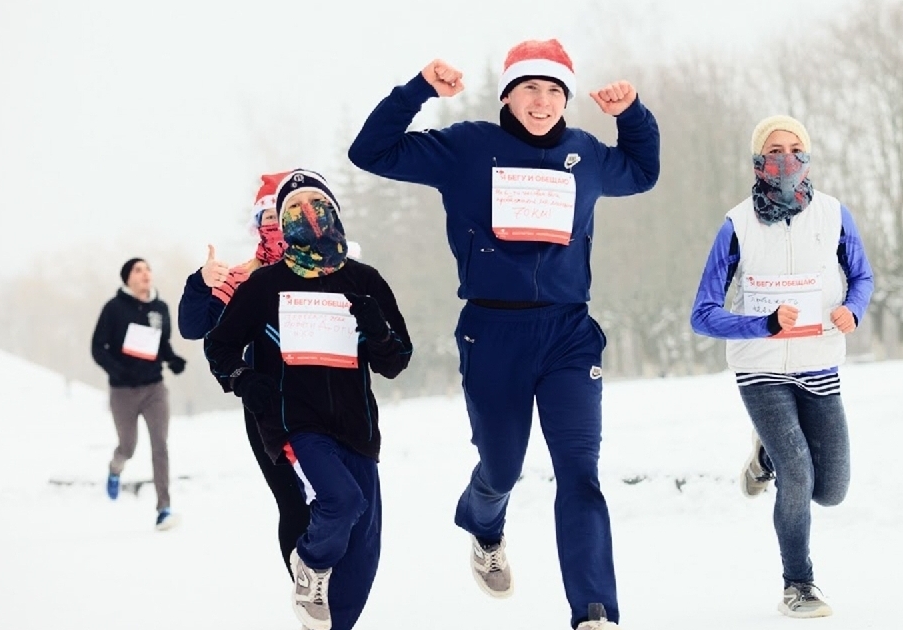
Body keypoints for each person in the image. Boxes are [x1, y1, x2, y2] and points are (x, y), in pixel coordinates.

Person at [348, 38, 660, 630]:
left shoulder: (586, 154)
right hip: (493, 332)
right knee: (502, 465)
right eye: (529, 89)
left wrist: (632, 114)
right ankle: (483, 524)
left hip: (569, 331)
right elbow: (370, 152)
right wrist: (418, 90)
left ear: (565, 99)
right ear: (509, 94)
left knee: (579, 470)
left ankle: (595, 612)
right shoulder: (467, 148)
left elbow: (643, 172)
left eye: (553, 91)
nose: (542, 102)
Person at [204, 168, 413, 630]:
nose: (308, 217)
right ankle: (311, 564)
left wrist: (376, 328)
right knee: (341, 501)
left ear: (335, 212)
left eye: (317, 205)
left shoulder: (366, 280)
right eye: (293, 211)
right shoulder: (265, 285)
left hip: (358, 427)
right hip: (294, 421)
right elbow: (218, 346)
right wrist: (243, 377)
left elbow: (397, 359)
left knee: (362, 554)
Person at [690, 115, 874, 618]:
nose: (786, 158)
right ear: (757, 160)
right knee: (799, 477)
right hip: (761, 371)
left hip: (820, 365)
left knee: (831, 490)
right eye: (774, 149)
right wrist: (763, 325)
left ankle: (765, 456)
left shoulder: (835, 215)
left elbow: (861, 276)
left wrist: (851, 310)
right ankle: (799, 585)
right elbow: (702, 314)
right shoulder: (735, 225)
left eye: (796, 148)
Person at [177, 171, 312, 578]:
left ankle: (337, 580)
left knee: (338, 498)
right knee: (291, 502)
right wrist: (200, 284)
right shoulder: (238, 277)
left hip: (325, 400)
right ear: (256, 225)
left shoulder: (325, 268)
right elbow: (193, 327)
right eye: (264, 218)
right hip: (266, 407)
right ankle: (308, 589)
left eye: (280, 215)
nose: (273, 226)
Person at [90, 257, 186, 531]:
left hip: (154, 388)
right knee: (128, 446)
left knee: (160, 446)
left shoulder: (160, 308)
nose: (145, 274)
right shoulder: (114, 308)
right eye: (138, 270)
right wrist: (117, 371)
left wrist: (173, 359)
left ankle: (163, 509)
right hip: (123, 391)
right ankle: (115, 467)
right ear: (127, 278)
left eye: (148, 269)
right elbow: (98, 347)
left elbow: (161, 343)